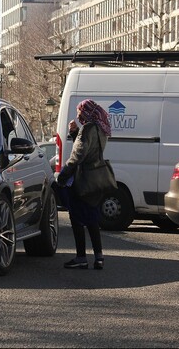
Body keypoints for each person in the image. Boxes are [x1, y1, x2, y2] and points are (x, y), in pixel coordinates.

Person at [56, 99, 112, 270]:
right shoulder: (101, 128)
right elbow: (91, 149)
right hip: (97, 178)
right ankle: (99, 257)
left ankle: (81, 257)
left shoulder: (87, 128)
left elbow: (79, 155)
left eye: (80, 111)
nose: (79, 115)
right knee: (93, 220)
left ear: (87, 112)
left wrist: (63, 176)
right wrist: (75, 134)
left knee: (77, 219)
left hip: (83, 179)